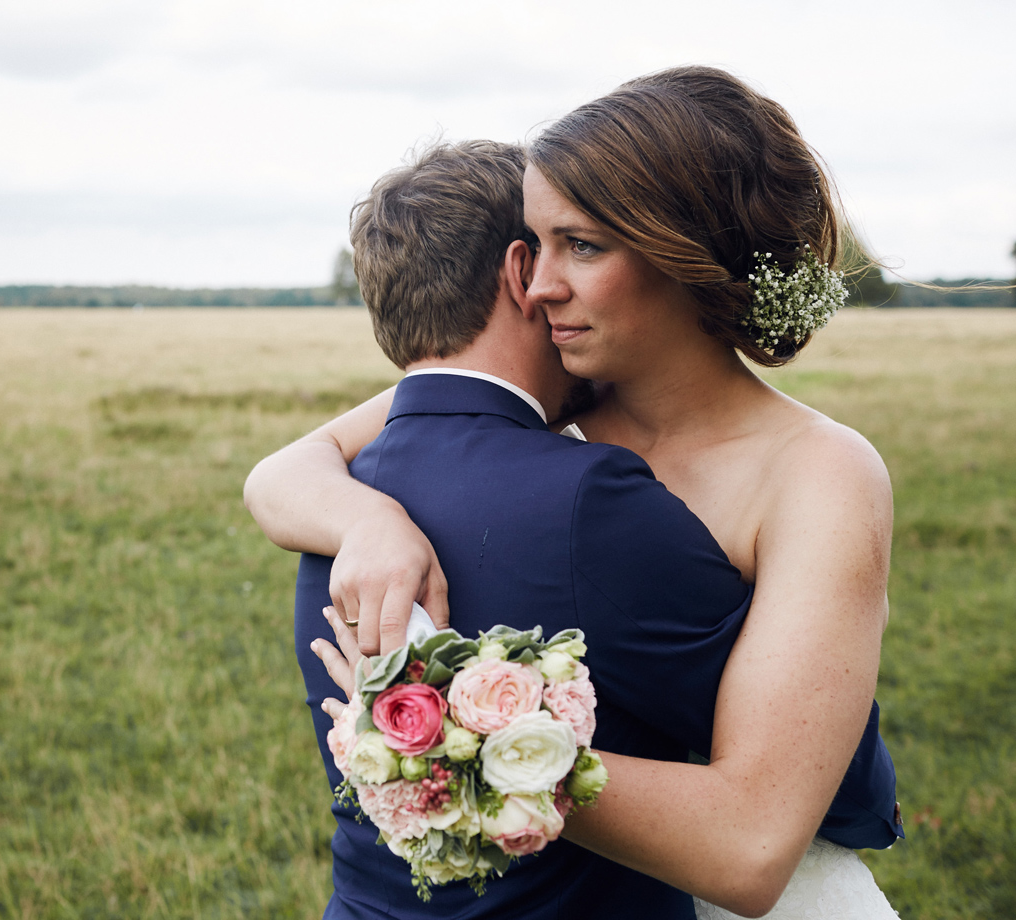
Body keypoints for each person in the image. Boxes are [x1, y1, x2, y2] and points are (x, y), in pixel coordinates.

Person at [246, 68, 903, 919]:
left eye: (581, 246)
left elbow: (751, 850)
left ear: (684, 254)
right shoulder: (559, 399)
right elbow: (286, 471)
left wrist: (459, 743)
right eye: (535, 244)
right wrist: (369, 521)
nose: (537, 284)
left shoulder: (818, 472)